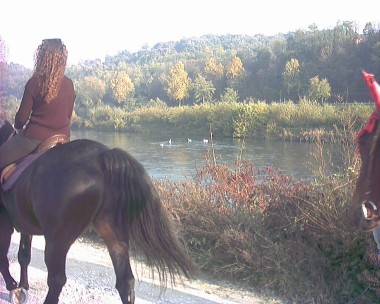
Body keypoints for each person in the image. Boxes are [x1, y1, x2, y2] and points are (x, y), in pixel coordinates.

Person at [0, 38, 75, 170]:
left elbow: (21, 119)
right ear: (62, 59)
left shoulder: (34, 83)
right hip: (63, 139)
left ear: (42, 58)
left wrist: (17, 126)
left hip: (34, 139)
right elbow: (68, 116)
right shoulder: (69, 84)